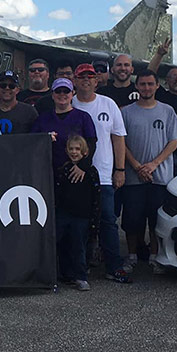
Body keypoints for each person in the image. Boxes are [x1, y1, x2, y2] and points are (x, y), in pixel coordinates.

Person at [71, 63, 130, 283]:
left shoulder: (108, 104)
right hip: (77, 175)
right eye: (81, 76)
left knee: (107, 220)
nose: (86, 80)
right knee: (81, 222)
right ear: (75, 81)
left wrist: (120, 169)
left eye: (90, 77)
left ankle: (114, 265)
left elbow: (118, 137)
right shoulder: (70, 102)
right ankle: (81, 265)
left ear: (97, 80)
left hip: (103, 173)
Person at [120, 71, 177, 274]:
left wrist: (154, 164)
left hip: (160, 176)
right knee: (131, 219)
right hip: (133, 177)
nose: (146, 88)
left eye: (150, 84)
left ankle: (155, 256)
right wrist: (137, 166)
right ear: (136, 87)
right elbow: (121, 142)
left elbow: (174, 141)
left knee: (155, 219)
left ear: (157, 86)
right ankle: (131, 256)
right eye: (142, 84)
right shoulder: (126, 112)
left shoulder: (167, 111)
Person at [54, 135, 98, 291]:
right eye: (71, 149)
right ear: (66, 150)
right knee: (61, 244)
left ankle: (81, 276)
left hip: (82, 216)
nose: (74, 152)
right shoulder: (63, 170)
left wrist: (93, 219)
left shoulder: (91, 172)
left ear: (84, 151)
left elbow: (95, 196)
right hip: (63, 214)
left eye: (77, 149)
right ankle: (66, 274)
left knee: (79, 246)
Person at [30, 78, 97, 170]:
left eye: (66, 91)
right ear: (52, 95)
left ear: (72, 93)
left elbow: (91, 143)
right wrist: (45, 139)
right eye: (58, 91)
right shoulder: (42, 119)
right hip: (49, 171)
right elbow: (33, 142)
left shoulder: (83, 117)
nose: (62, 94)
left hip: (75, 172)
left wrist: (82, 166)